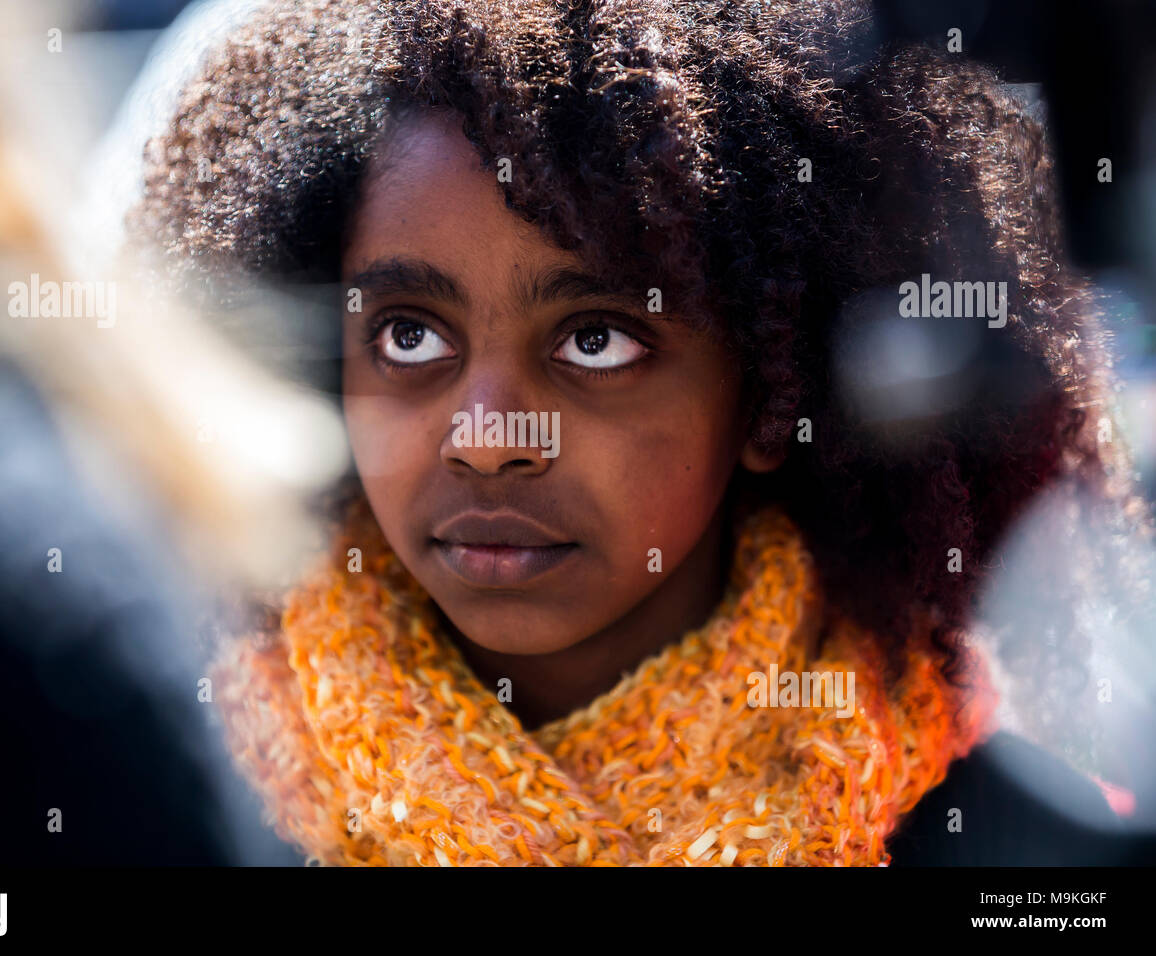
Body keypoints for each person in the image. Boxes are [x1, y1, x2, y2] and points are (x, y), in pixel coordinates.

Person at [130, 0, 1155, 865]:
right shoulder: (165, 790)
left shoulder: (1013, 845)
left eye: (594, 340)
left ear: (765, 395)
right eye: (407, 334)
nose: (488, 436)